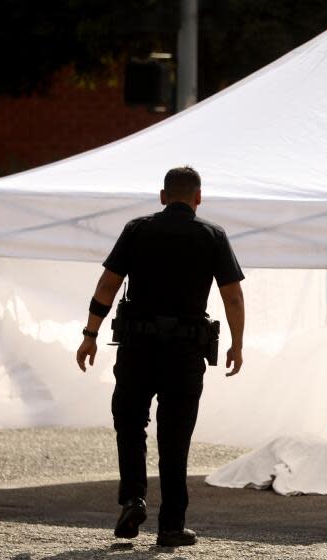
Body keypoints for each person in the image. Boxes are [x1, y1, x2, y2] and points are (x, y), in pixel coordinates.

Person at [75, 166, 245, 547]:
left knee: (130, 424)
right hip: (184, 353)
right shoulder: (212, 236)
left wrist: (90, 334)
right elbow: (232, 294)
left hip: (137, 348)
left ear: (163, 196)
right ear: (198, 198)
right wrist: (237, 342)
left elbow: (108, 284)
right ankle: (171, 525)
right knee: (175, 436)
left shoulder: (137, 229)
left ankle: (133, 498)